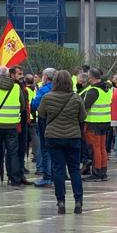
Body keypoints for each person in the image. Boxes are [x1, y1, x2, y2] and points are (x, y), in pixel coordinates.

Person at [37, 69, 86, 214]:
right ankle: (78, 201)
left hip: (53, 137)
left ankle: (61, 201)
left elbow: (41, 113)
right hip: (73, 137)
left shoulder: (47, 97)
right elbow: (82, 117)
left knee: (58, 169)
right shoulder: (76, 98)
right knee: (75, 170)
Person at [32, 67, 56, 186]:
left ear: (45, 77)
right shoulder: (62, 89)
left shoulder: (44, 90)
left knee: (45, 148)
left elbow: (34, 104)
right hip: (58, 122)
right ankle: (55, 175)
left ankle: (47, 177)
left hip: (44, 120)